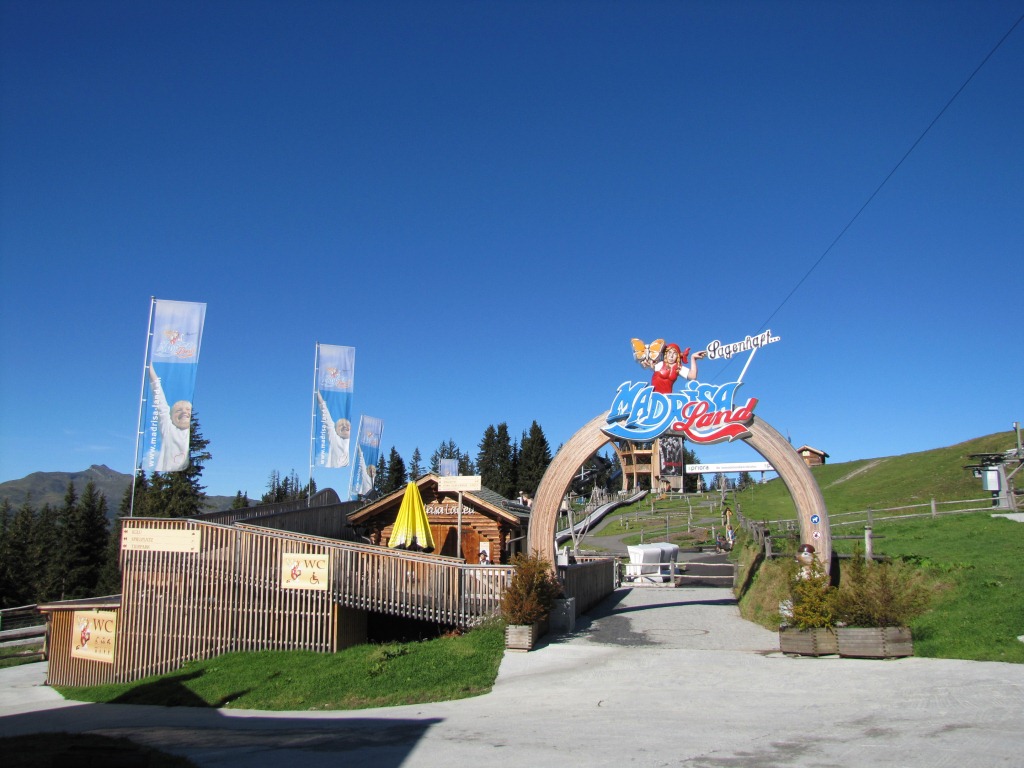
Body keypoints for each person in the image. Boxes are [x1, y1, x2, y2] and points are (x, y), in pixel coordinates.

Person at [149, 364, 191, 471]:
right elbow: (160, 402)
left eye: (188, 409)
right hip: (165, 477)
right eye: (179, 410)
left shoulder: (192, 434)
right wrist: (150, 370)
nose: (184, 412)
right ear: (171, 416)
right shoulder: (168, 429)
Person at [640, 342, 706, 394]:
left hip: (668, 399)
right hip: (654, 397)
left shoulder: (678, 367)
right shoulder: (660, 364)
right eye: (669, 353)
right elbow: (648, 363)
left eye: (674, 353)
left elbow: (693, 376)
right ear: (666, 354)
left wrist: (693, 358)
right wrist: (645, 361)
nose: (671, 356)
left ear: (678, 356)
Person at [316, 390, 351, 467]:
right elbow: (326, 415)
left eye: (347, 425)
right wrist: (317, 393)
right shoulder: (335, 439)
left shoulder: (353, 442)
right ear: (336, 431)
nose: (344, 426)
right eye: (341, 426)